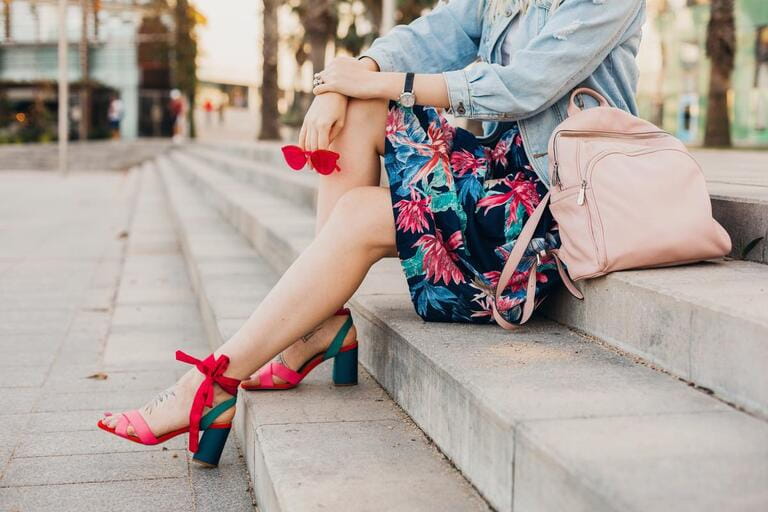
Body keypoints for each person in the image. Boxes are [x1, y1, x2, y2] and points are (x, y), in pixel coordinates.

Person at [99, 0, 646, 466]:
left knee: (360, 211)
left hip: (551, 206)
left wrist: (377, 80)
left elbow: (522, 88)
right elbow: (436, 33)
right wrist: (348, 78)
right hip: (497, 174)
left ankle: (212, 381)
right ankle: (318, 325)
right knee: (360, 107)